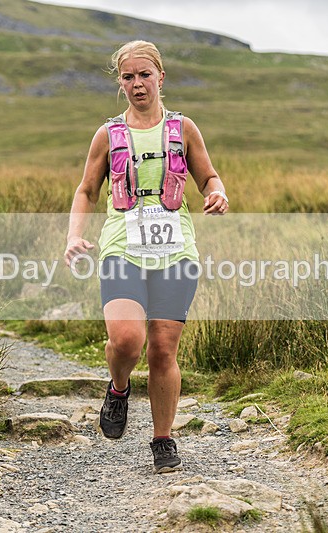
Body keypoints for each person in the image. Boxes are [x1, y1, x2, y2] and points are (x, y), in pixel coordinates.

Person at [64, 40, 228, 474]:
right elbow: (87, 190)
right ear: (120, 83)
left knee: (162, 349)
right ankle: (119, 387)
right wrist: (74, 236)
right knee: (126, 340)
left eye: (144, 75)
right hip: (123, 248)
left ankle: (162, 439)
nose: (137, 84)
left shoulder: (183, 128)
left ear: (160, 77)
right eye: (128, 77)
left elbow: (208, 177)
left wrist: (218, 193)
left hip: (176, 251)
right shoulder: (108, 134)